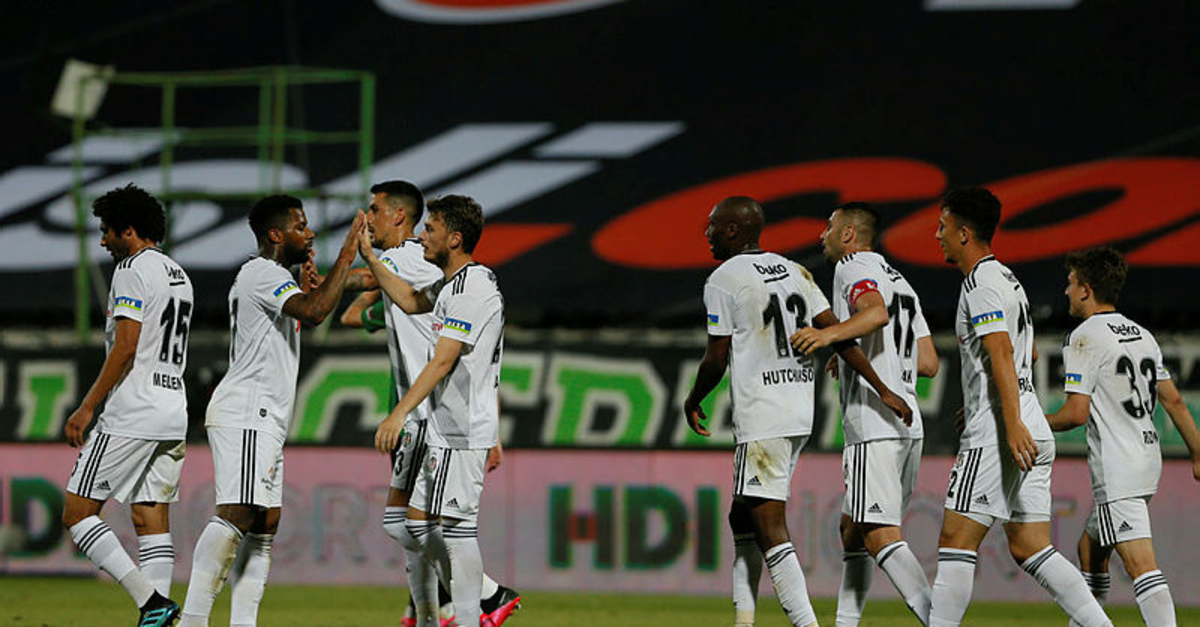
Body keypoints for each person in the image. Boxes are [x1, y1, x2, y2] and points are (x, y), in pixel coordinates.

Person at [682, 196, 912, 627]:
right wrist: (881, 387)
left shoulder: (723, 278)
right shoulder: (794, 270)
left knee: (769, 526)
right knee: (741, 514)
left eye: (713, 225)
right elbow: (838, 334)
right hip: (799, 410)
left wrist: (694, 398)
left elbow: (716, 357)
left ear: (732, 230)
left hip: (762, 415)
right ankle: (744, 620)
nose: (707, 233)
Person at [176, 195, 365, 627]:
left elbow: (323, 298)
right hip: (248, 411)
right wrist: (346, 253)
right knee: (237, 514)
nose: (310, 233)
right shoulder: (262, 272)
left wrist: (349, 274)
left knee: (264, 526)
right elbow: (315, 312)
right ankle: (192, 620)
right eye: (301, 226)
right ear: (276, 234)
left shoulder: (279, 278)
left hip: (266, 417)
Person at [926, 187, 1112, 627]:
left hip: (1001, 432)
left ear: (964, 233)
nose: (937, 235)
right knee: (1031, 546)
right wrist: (991, 404)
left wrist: (1007, 423)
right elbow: (1026, 353)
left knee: (955, 541)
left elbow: (1003, 353)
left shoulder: (981, 284)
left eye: (943, 226)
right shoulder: (1008, 279)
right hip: (1029, 419)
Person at [355, 181, 519, 627]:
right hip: (444, 426)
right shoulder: (450, 286)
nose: (422, 235)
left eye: (430, 229)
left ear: (455, 239)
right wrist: (370, 258)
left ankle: (474, 611)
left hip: (462, 427)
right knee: (411, 525)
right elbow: (410, 300)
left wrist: (399, 412)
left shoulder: (472, 289)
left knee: (457, 533)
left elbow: (444, 359)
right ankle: (484, 597)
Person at [791, 202, 938, 626]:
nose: (822, 235)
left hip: (874, 422)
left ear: (849, 235)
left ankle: (940, 620)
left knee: (879, 534)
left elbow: (875, 313)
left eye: (829, 227)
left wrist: (828, 335)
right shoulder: (902, 281)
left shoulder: (852, 266)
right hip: (908, 426)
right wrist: (866, 354)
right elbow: (929, 362)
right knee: (852, 529)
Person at [1046, 247, 1200, 627]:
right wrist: (1197, 452)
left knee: (1140, 565)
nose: (1066, 291)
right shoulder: (1142, 335)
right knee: (1090, 550)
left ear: (1086, 290)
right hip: (1146, 458)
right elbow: (1174, 400)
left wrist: (1027, 422)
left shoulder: (1084, 337)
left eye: (1070, 283)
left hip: (1118, 466)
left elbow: (1075, 413)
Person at [61, 184, 192, 627]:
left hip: (133, 409)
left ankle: (151, 602)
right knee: (149, 516)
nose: (103, 241)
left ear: (128, 230)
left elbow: (127, 346)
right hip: (172, 409)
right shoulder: (179, 273)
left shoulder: (131, 270)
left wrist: (87, 406)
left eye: (107, 231)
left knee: (78, 514)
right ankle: (157, 621)